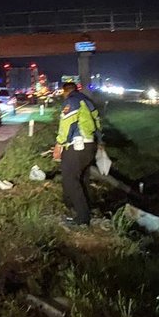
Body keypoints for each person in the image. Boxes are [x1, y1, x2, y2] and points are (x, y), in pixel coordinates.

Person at [53, 82, 103, 226]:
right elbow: (98, 123)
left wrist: (59, 144)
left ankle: (82, 217)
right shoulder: (87, 102)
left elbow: (67, 125)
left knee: (70, 180)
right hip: (90, 145)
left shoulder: (71, 101)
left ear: (65, 92)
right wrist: (100, 142)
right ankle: (86, 208)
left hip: (77, 146)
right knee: (83, 178)